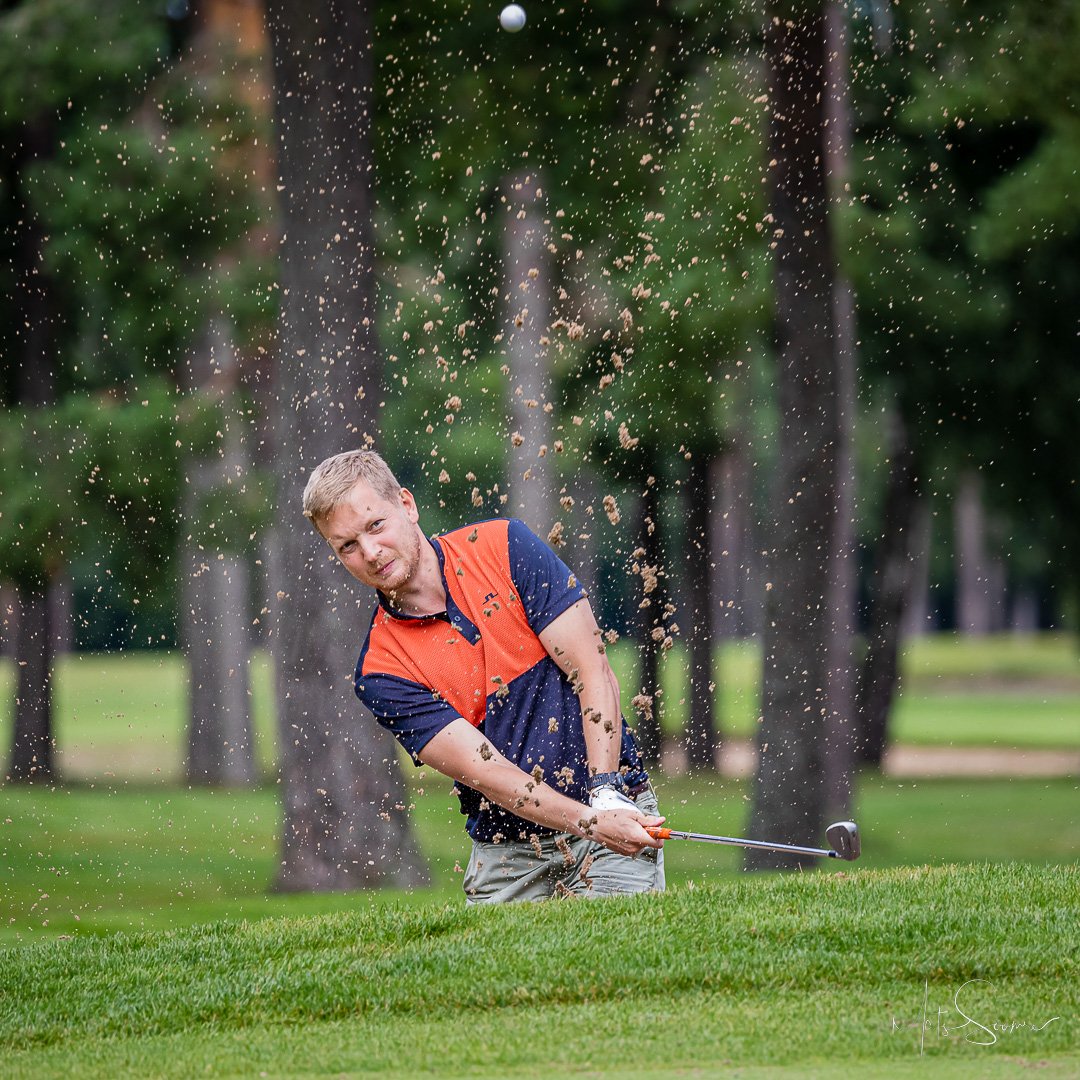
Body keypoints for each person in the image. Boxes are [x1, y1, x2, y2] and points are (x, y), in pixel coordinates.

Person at [302, 448, 665, 903]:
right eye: (347, 546)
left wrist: (607, 795)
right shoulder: (381, 670)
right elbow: (485, 770)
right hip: (508, 857)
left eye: (376, 525)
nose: (371, 553)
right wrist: (589, 821)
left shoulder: (503, 546)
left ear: (407, 506)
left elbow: (592, 670)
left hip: (614, 802)